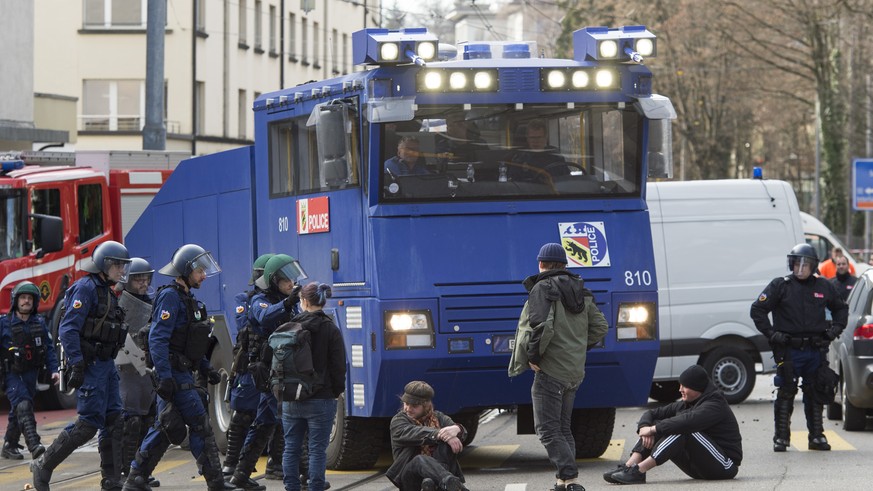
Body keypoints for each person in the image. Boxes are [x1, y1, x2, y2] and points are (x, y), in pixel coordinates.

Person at [122, 244, 232, 491]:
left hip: (181, 371)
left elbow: (189, 344)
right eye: (200, 271)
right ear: (186, 270)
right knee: (200, 425)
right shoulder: (170, 297)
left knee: (165, 427)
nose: (204, 276)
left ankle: (136, 477)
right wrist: (164, 377)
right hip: (174, 374)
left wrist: (205, 368)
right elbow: (158, 340)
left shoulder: (186, 298)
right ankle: (216, 483)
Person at [31, 241, 132, 491]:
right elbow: (68, 329)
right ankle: (44, 464)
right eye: (117, 265)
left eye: (122, 265)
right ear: (104, 265)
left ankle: (111, 480)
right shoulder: (85, 288)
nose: (121, 270)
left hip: (107, 366)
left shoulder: (107, 291)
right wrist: (76, 363)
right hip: (92, 366)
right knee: (88, 424)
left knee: (114, 420)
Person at [508, 242, 609, 491]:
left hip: (550, 371)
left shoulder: (543, 288)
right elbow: (600, 327)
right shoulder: (581, 290)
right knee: (563, 428)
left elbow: (542, 327)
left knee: (547, 429)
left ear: (542, 264)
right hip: (574, 371)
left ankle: (570, 477)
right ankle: (563, 483)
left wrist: (534, 357)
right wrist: (575, 349)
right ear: (564, 264)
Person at [750, 243, 847, 452]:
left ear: (813, 266)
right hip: (789, 350)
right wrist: (771, 334)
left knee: (815, 391)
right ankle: (782, 438)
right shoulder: (780, 286)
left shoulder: (824, 287)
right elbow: (758, 309)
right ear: (791, 264)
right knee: (786, 392)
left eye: (806, 264)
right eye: (797, 263)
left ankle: (817, 436)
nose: (801, 268)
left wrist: (833, 331)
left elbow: (840, 309)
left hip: (815, 349)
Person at [229, 254, 308, 491]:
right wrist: (285, 304)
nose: (291, 285)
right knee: (283, 419)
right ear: (274, 281)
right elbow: (263, 316)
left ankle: (241, 474)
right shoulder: (259, 300)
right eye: (286, 282)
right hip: (267, 371)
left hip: (285, 368)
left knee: (268, 422)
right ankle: (307, 474)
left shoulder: (290, 301)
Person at [602, 365, 742, 485]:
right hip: (699, 467)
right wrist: (645, 426)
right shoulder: (686, 403)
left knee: (682, 429)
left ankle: (639, 471)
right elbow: (653, 413)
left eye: (684, 386)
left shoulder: (715, 405)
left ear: (697, 388)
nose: (680, 389)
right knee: (662, 424)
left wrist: (652, 429)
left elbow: (688, 422)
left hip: (724, 466)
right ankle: (629, 466)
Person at [279, 282, 346, 491]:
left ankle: (291, 487)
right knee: (317, 449)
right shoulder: (331, 329)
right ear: (322, 302)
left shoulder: (290, 327)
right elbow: (338, 367)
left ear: (304, 302)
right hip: (321, 397)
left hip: (292, 397)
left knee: (291, 448)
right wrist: (336, 392)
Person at [222, 253, 274, 479]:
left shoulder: (280, 301)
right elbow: (245, 325)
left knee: (275, 418)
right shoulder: (246, 299)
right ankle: (231, 464)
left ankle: (276, 463)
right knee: (243, 414)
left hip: (273, 364)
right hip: (250, 364)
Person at [112, 258, 160, 487]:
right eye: (138, 279)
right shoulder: (120, 303)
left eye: (145, 279)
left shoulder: (151, 301)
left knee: (148, 420)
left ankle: (141, 469)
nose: (143, 283)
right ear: (128, 280)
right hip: (127, 366)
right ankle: (125, 470)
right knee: (130, 421)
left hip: (146, 368)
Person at [1, 281, 59, 460]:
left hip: (31, 372)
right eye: (23, 298)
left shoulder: (40, 324)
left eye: (29, 298)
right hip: (11, 373)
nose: (26, 301)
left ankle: (10, 445)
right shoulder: (4, 323)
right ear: (15, 300)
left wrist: (54, 370)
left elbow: (49, 348)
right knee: (23, 405)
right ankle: (34, 445)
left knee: (20, 408)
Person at [386, 381, 468, 491]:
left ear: (426, 406)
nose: (408, 409)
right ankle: (450, 483)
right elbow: (414, 432)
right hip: (410, 477)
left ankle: (435, 484)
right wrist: (439, 434)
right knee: (420, 460)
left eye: (414, 406)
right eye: (406, 403)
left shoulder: (439, 417)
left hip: (439, 471)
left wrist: (457, 429)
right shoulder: (399, 420)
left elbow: (462, 433)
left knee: (446, 441)